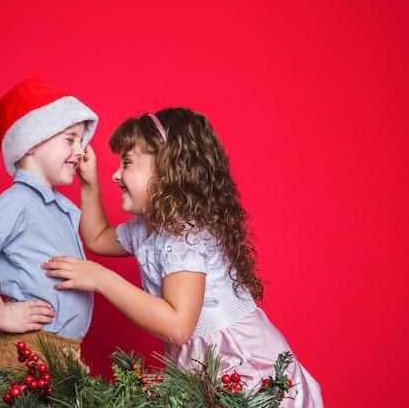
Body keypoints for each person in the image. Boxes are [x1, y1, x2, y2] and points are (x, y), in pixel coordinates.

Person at [42, 107, 324, 407]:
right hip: (203, 366)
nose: (116, 174)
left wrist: (101, 278)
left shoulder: (182, 235)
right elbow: (97, 238)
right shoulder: (148, 228)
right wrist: (89, 183)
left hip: (241, 364)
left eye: (127, 163)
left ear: (166, 169)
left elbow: (177, 326)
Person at [0, 73, 98, 372]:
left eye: (81, 141)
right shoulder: (20, 202)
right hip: (28, 351)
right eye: (70, 139)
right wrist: (1, 314)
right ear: (30, 144)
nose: (81, 150)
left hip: (63, 354)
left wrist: (89, 187)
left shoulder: (58, 207)